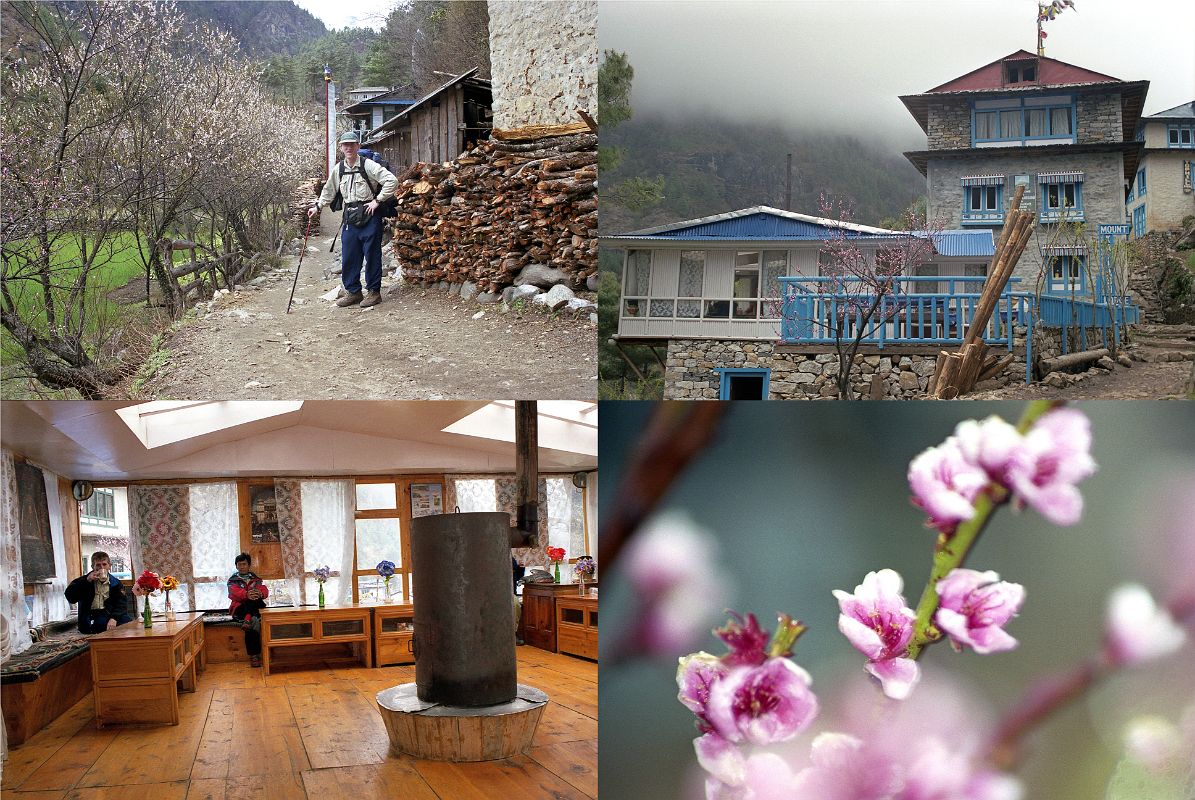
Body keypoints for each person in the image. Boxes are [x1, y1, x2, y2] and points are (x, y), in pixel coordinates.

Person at [309, 132, 398, 309]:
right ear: (341, 148)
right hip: (349, 216)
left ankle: (374, 292)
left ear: (358, 146)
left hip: (370, 214)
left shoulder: (368, 165)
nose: (348, 148)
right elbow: (328, 190)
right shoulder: (339, 169)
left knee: (372, 255)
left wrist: (377, 200)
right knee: (349, 255)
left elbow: (391, 180)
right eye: (345, 145)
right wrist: (317, 207)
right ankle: (354, 292)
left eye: (352, 144)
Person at [64, 551, 133, 633]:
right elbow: (71, 598)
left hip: (109, 613)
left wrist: (114, 618)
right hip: (92, 615)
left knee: (128, 622)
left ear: (109, 566)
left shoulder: (116, 583)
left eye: (104, 564)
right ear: (93, 567)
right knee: (101, 624)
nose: (102, 568)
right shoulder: (84, 580)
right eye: (98, 565)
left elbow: (121, 604)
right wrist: (86, 581)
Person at [227, 552, 270, 667]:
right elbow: (233, 594)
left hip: (252, 609)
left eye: (244, 564)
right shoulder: (232, 580)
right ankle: (255, 656)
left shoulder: (256, 579)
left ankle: (254, 656)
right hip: (239, 609)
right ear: (236, 566)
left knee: (254, 615)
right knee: (254, 611)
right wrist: (247, 594)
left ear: (249, 565)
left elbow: (264, 590)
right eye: (239, 564)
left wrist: (260, 593)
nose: (242, 567)